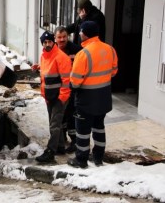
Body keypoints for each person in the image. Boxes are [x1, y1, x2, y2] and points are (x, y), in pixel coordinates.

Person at [67, 21, 118, 168]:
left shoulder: (83, 54)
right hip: (103, 98)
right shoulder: (110, 49)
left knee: (82, 131)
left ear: (84, 34)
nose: (80, 34)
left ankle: (81, 159)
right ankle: (98, 157)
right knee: (99, 127)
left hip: (86, 100)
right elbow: (114, 72)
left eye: (81, 32)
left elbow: (75, 82)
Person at [31, 31, 72, 163]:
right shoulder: (44, 56)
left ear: (53, 42)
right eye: (45, 42)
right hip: (49, 96)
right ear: (42, 43)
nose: (47, 44)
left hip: (59, 97)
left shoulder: (61, 57)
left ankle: (50, 151)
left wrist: (62, 98)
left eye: (49, 42)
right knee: (55, 124)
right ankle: (60, 146)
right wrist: (38, 67)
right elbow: (47, 73)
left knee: (54, 125)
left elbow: (66, 80)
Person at [54, 26, 82, 153]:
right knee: (62, 115)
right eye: (59, 37)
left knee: (71, 114)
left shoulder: (76, 50)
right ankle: (63, 136)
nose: (62, 39)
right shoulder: (52, 50)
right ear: (55, 38)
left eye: (64, 37)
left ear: (68, 37)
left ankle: (75, 140)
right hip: (58, 89)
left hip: (72, 89)